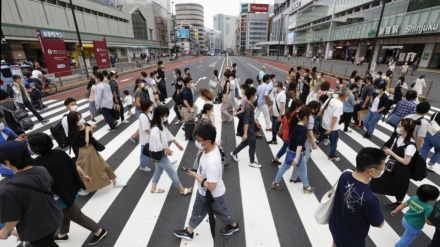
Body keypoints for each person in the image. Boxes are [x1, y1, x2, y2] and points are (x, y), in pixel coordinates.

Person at [27, 133, 108, 245]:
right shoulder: (59, 153)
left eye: (29, 145)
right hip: (70, 189)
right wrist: (84, 175)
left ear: (36, 148)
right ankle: (63, 234)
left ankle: (99, 231)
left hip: (59, 196)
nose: (28, 147)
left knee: (76, 216)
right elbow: (73, 165)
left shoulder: (38, 164)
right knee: (65, 212)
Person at [174, 124, 240, 240]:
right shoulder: (212, 147)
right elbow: (217, 145)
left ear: (208, 141)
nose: (197, 142)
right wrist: (200, 156)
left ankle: (233, 225)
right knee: (197, 210)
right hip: (203, 192)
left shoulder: (212, 163)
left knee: (222, 212)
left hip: (213, 195)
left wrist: (195, 175)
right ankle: (189, 231)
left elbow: (211, 187)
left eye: (199, 140)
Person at [0, 141, 63, 247]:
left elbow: (14, 218)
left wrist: (5, 231)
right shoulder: (42, 169)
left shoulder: (8, 190)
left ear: (7, 162)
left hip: (37, 229)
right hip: (54, 216)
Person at [329, 147, 386, 247]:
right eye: (382, 169)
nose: (382, 171)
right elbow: (379, 223)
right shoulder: (369, 199)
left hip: (335, 225)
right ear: (371, 171)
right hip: (352, 239)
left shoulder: (345, 174)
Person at [67, 111, 126, 193]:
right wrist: (87, 131)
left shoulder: (83, 125)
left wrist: (90, 129)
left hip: (91, 149)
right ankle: (86, 189)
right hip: (84, 152)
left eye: (80, 117)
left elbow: (92, 133)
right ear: (74, 122)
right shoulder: (73, 133)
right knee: (89, 170)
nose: (81, 119)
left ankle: (114, 182)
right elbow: (85, 143)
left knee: (104, 165)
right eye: (79, 119)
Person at [371, 119, 420, 210]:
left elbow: (406, 162)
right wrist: (387, 153)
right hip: (392, 165)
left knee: (399, 186)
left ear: (407, 129)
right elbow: (393, 149)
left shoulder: (411, 145)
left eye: (400, 126)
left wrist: (391, 153)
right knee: (383, 180)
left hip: (402, 170)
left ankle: (398, 203)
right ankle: (370, 193)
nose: (398, 128)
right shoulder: (398, 137)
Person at [148, 106, 192, 195]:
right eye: (165, 115)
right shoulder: (155, 129)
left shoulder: (160, 124)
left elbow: (167, 134)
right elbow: (154, 145)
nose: (166, 117)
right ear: (160, 115)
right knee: (171, 171)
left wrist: (177, 144)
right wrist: (166, 148)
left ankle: (153, 188)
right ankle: (182, 189)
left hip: (159, 155)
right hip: (160, 155)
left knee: (158, 170)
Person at [271, 106, 315, 193]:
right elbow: (300, 144)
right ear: (305, 117)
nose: (310, 119)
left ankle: (275, 182)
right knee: (303, 170)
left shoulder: (294, 124)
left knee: (284, 168)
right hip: (298, 153)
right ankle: (306, 187)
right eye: (309, 117)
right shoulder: (303, 129)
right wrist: (297, 157)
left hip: (290, 150)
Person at [230, 87, 262, 168]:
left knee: (246, 143)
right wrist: (245, 133)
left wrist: (256, 122)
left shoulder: (249, 104)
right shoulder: (248, 106)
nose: (256, 95)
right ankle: (252, 161)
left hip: (251, 127)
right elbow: (246, 121)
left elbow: (251, 115)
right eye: (255, 94)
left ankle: (233, 153)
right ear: (251, 96)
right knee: (253, 145)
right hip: (249, 129)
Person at [289, 101, 320, 183]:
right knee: (302, 158)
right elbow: (310, 131)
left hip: (295, 136)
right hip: (304, 139)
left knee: (298, 157)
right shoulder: (310, 117)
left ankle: (294, 176)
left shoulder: (300, 112)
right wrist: (314, 143)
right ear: (314, 108)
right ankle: (296, 177)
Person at [317, 88, 348, 162]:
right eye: (347, 96)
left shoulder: (330, 99)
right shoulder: (340, 105)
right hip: (333, 127)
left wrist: (320, 117)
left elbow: (322, 108)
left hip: (324, 123)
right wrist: (331, 128)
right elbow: (334, 117)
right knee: (334, 142)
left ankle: (312, 145)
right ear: (344, 96)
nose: (347, 97)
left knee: (322, 136)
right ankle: (332, 155)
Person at [138, 98, 154, 172]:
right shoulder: (143, 116)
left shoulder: (147, 113)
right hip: (146, 139)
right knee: (145, 153)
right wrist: (154, 136)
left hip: (148, 138)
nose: (151, 107)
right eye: (150, 105)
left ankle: (165, 162)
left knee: (158, 150)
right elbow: (146, 129)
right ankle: (143, 166)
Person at [129, 78, 147, 144]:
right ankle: (134, 137)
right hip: (139, 111)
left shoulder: (139, 90)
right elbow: (137, 103)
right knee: (143, 126)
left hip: (139, 110)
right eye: (140, 82)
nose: (142, 83)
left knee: (144, 125)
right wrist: (144, 108)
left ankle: (134, 137)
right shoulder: (139, 91)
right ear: (137, 84)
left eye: (142, 82)